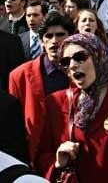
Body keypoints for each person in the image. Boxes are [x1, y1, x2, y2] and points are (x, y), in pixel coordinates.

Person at [36, 33, 108, 182]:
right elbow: (40, 161)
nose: (72, 65)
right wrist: (57, 163)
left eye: (80, 57)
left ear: (98, 57)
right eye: (65, 61)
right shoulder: (56, 102)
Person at [8, 13, 75, 164]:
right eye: (48, 36)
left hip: (76, 148)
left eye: (60, 35)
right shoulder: (19, 76)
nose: (54, 41)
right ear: (40, 40)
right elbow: (14, 126)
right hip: (37, 155)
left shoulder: (84, 71)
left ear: (71, 38)